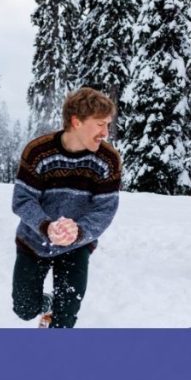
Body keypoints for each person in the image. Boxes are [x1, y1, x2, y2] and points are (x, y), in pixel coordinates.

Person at [12, 88, 121, 329]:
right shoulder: (38, 152)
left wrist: (78, 232)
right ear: (76, 122)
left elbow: (105, 209)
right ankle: (48, 304)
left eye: (108, 124)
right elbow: (22, 200)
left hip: (78, 244)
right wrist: (46, 226)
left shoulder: (108, 160)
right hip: (35, 239)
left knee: (65, 318)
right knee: (24, 308)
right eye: (100, 124)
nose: (105, 132)